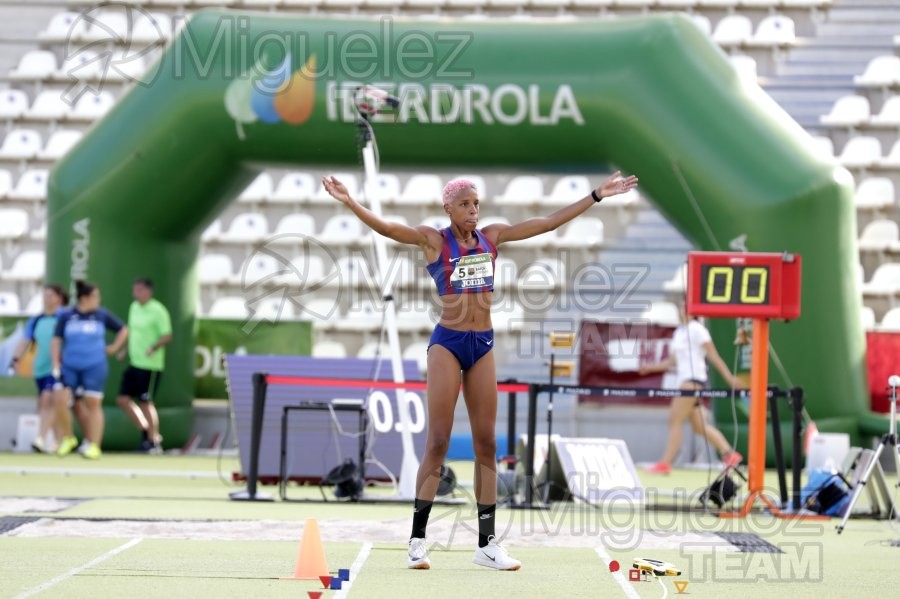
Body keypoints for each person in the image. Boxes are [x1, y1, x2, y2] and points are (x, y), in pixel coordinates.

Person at [322, 170, 638, 571]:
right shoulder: (434, 240)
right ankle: (417, 540)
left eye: (476, 204)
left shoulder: (493, 236)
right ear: (448, 208)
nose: (473, 210)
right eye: (465, 204)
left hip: (483, 345)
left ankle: (486, 544)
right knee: (437, 442)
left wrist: (596, 195)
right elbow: (389, 228)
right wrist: (350, 202)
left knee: (486, 445)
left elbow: (546, 223)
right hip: (448, 345)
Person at [639, 303, 744, 475]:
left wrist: (729, 378)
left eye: (686, 307)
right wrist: (650, 368)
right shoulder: (678, 333)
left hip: (693, 382)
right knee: (698, 427)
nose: (682, 310)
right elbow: (672, 362)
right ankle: (731, 455)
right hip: (684, 382)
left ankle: (665, 463)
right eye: (681, 307)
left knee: (674, 419)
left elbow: (713, 356)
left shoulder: (697, 329)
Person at [52, 280, 128, 460]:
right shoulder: (67, 316)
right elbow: (56, 341)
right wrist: (56, 363)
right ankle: (68, 438)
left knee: (92, 403)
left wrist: (115, 347)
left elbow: (123, 329)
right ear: (85, 298)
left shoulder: (101, 315)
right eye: (95, 296)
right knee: (60, 398)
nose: (98, 300)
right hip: (70, 365)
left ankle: (94, 445)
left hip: (94, 366)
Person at [8, 284, 69, 453]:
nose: (47, 298)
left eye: (51, 295)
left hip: (59, 367)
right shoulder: (36, 320)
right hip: (40, 368)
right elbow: (25, 341)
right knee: (46, 404)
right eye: (45, 295)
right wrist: (15, 359)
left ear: (59, 298)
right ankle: (57, 441)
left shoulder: (64, 317)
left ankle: (40, 438)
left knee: (47, 399)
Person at [116, 277, 172, 453]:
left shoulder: (158, 310)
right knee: (123, 399)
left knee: (145, 401)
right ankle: (146, 431)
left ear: (148, 291)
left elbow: (167, 335)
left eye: (139, 290)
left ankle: (154, 441)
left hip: (150, 365)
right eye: (135, 290)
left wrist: (153, 347)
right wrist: (124, 349)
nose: (136, 293)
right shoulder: (134, 308)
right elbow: (132, 331)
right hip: (135, 363)